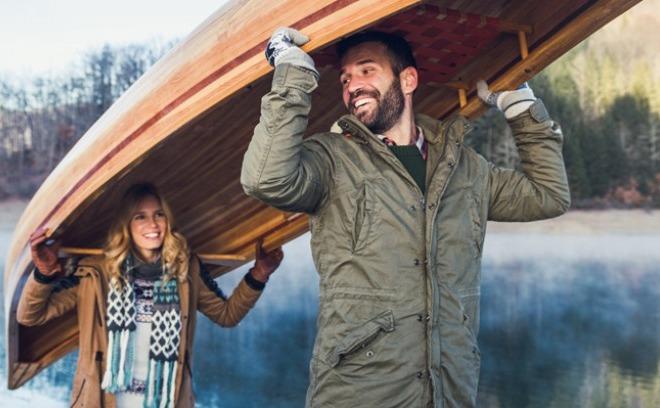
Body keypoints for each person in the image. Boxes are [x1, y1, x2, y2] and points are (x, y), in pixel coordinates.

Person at [241, 28, 570, 407]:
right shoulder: (331, 159)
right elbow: (265, 179)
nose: (353, 86)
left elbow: (548, 195)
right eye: (345, 79)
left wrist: (520, 105)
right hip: (359, 396)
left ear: (408, 80)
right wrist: (294, 74)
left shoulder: (465, 168)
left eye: (367, 71)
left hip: (450, 393)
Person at [17, 182, 283, 408]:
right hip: (103, 400)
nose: (153, 224)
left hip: (167, 400)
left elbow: (227, 315)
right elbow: (30, 316)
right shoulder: (94, 272)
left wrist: (259, 274)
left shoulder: (186, 268)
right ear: (126, 225)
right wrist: (44, 274)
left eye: (159, 214)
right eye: (140, 217)